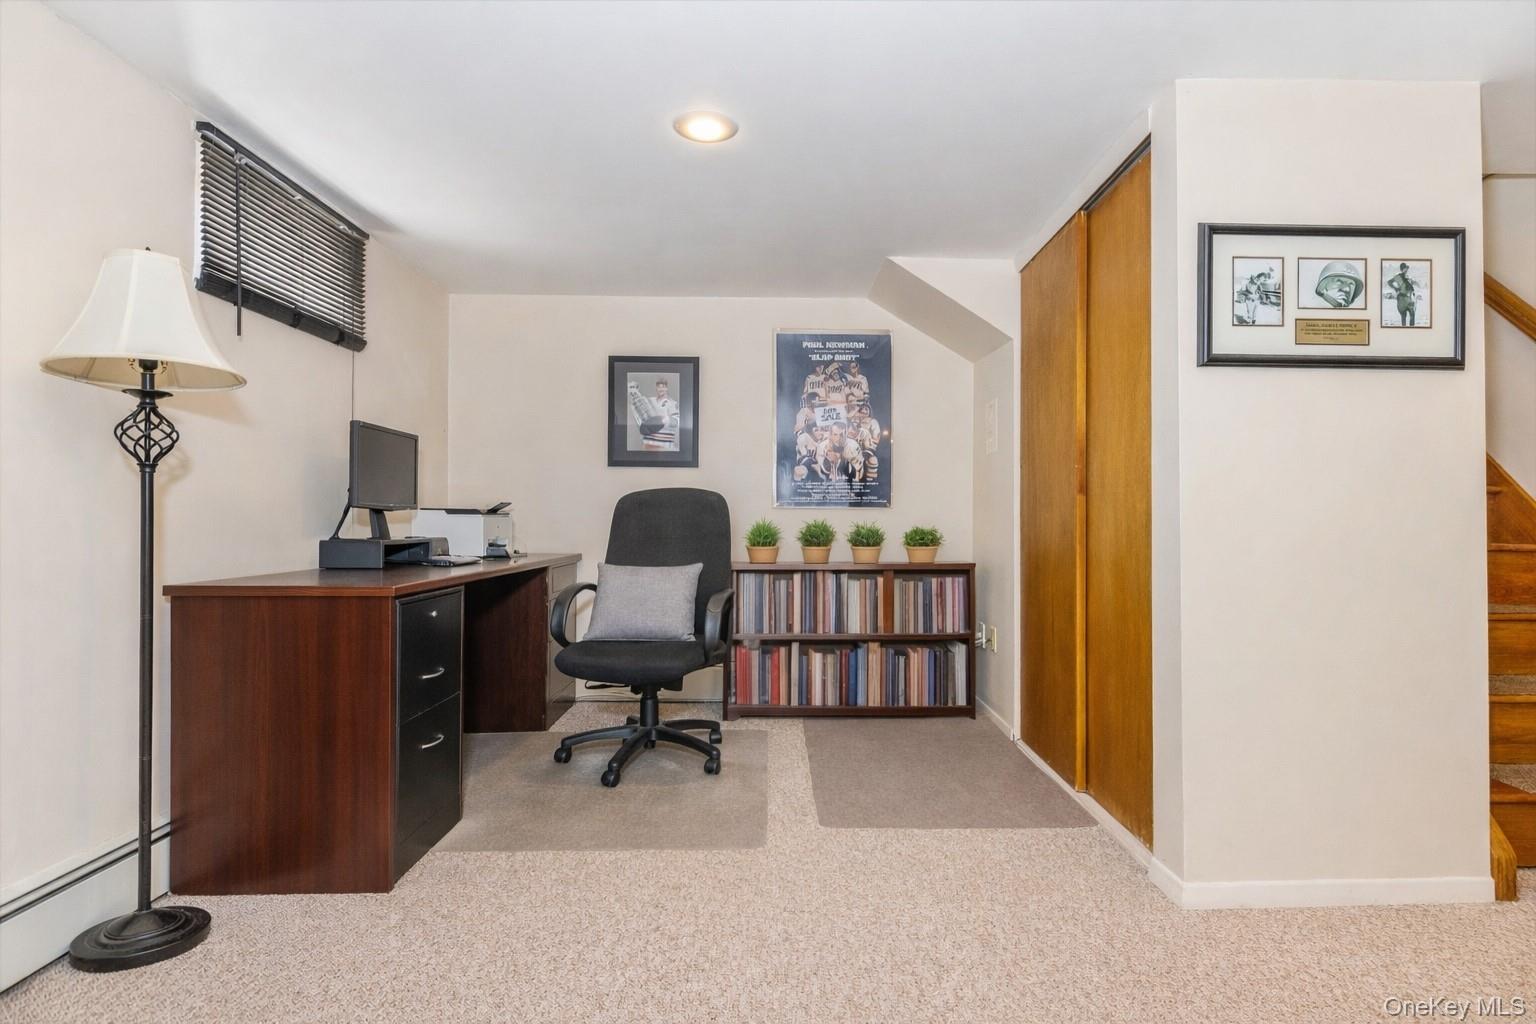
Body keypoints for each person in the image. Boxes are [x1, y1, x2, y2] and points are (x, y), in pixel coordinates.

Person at [1387, 262, 1419, 327]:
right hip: (1402, 299)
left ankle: (1411, 330)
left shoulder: (1408, 277)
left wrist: (1414, 282)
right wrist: (1396, 288)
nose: (1407, 270)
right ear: (1402, 269)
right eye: (1405, 268)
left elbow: (1413, 284)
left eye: (1407, 268)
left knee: (1412, 314)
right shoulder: (1398, 276)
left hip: (1409, 299)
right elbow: (1389, 282)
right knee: (1404, 316)